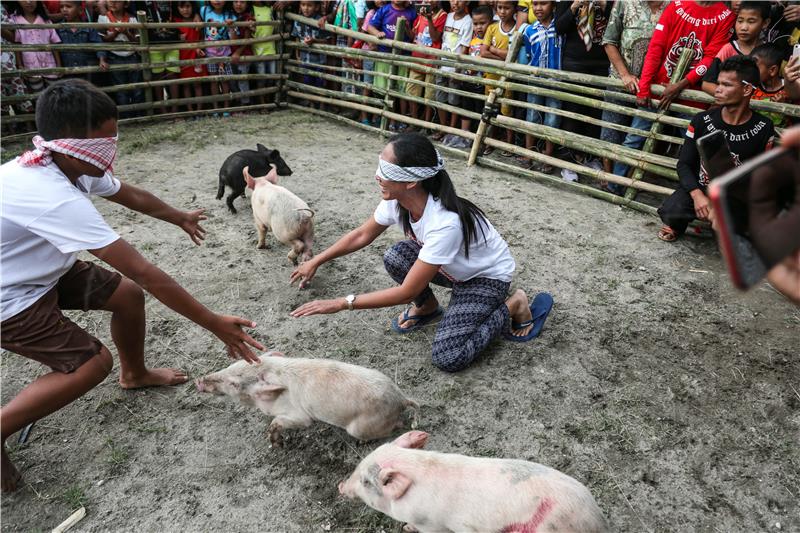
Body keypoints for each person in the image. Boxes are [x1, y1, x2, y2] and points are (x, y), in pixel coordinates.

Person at [0, 79, 264, 493]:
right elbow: (146, 270)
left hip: (38, 269)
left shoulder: (65, 164)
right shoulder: (50, 193)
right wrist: (213, 322)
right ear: (73, 142)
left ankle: (135, 373)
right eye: (105, 140)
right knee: (90, 364)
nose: (113, 147)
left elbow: (131, 195)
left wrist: (177, 215)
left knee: (126, 295)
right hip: (9, 298)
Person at [289, 133, 554, 373]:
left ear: (412, 181)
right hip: (451, 269)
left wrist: (341, 303)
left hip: (484, 279)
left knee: (449, 356)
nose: (377, 175)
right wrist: (317, 260)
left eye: (386, 169)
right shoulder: (398, 201)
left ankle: (514, 304)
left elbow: (404, 292)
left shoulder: (444, 222)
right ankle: (427, 306)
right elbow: (362, 234)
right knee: (396, 256)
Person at [657, 56, 775, 242]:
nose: (718, 89)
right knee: (673, 209)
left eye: (726, 85)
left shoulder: (763, 127)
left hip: (734, 195)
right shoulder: (702, 120)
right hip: (700, 188)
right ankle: (677, 224)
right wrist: (697, 196)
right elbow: (684, 164)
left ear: (746, 89)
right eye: (718, 83)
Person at [599, 0, 667, 192]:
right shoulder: (624, 2)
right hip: (620, 79)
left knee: (641, 135)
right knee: (611, 129)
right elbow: (609, 40)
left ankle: (629, 180)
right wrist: (625, 75)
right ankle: (608, 177)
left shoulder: (675, 5)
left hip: (654, 86)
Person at [520, 0, 562, 172]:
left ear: (553, 5)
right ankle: (529, 153)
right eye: (534, 4)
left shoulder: (559, 28)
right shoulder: (529, 30)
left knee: (552, 119)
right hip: (535, 80)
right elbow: (530, 54)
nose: (538, 8)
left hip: (555, 82)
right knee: (532, 115)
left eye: (543, 4)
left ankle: (548, 157)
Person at [367, 0, 417, 131]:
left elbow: (413, 36)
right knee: (386, 89)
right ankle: (388, 119)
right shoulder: (385, 10)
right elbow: (370, 27)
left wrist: (406, 27)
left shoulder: (411, 11)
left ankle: (400, 120)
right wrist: (377, 33)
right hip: (385, 55)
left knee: (401, 90)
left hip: (403, 57)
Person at [701, 1, 770, 96]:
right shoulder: (728, 50)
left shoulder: (768, 52)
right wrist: (733, 97)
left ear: (765, 23)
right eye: (740, 21)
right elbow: (707, 84)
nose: (743, 27)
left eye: (751, 22)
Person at [480, 0, 517, 156]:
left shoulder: (518, 29)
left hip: (507, 79)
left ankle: (509, 143)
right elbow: (483, 52)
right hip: (491, 76)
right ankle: (490, 139)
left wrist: (494, 50)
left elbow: (514, 56)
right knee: (490, 109)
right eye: (500, 8)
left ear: (514, 8)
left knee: (507, 111)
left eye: (507, 8)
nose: (502, 11)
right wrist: (504, 59)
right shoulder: (492, 28)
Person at [436, 0, 472, 146]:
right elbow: (443, 40)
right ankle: (443, 128)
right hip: (443, 64)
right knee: (440, 98)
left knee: (454, 100)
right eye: (452, 0)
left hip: (455, 67)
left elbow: (464, 48)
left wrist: (457, 71)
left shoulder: (468, 21)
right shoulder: (449, 16)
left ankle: (451, 129)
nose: (455, 3)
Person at [98, 0, 143, 117]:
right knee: (120, 89)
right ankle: (126, 116)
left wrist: (127, 32)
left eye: (117, 1)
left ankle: (138, 115)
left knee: (137, 87)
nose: (113, 3)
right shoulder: (103, 18)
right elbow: (103, 39)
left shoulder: (132, 19)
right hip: (114, 56)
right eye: (110, 1)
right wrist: (116, 33)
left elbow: (137, 40)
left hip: (131, 55)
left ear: (125, 4)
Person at [406, 0, 445, 128]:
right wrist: (406, 26)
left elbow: (435, 38)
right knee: (412, 92)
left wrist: (429, 19)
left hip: (430, 62)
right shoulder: (420, 15)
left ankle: (426, 125)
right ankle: (414, 122)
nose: (427, 1)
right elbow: (414, 35)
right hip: (417, 59)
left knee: (429, 96)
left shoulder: (442, 15)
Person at [9, 0, 62, 93]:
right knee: (38, 94)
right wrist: (20, 65)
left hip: (50, 64)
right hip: (30, 65)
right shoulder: (14, 20)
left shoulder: (45, 20)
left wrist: (58, 64)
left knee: (55, 93)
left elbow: (53, 42)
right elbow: (17, 43)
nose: (29, 2)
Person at [56, 1, 109, 85]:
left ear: (80, 10)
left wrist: (102, 60)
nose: (64, 9)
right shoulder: (58, 28)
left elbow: (98, 44)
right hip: (67, 70)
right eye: (62, 7)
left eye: (68, 6)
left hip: (86, 70)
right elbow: (55, 48)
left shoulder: (89, 28)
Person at [291, 0, 332, 105]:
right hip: (305, 59)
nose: (306, 8)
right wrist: (297, 54)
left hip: (319, 60)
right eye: (303, 5)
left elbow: (327, 40)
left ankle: (321, 104)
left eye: (309, 5)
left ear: (317, 7)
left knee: (320, 82)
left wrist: (314, 41)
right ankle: (311, 104)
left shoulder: (321, 22)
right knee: (307, 82)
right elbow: (296, 38)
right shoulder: (297, 20)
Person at [201, 0, 235, 115]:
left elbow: (234, 38)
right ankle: (216, 107)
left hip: (225, 52)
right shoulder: (204, 11)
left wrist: (231, 26)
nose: (217, 1)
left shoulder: (230, 15)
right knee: (213, 81)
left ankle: (226, 108)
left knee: (225, 81)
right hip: (210, 52)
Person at [750, 43, 795, 129]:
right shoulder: (752, 88)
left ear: (772, 70)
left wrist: (784, 105)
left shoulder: (790, 89)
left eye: (755, 68)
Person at [174, 1, 206, 113]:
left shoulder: (197, 21)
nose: (185, 10)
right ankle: (190, 109)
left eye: (188, 6)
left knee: (197, 84)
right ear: (177, 8)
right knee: (186, 84)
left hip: (196, 56)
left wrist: (200, 47)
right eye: (181, 7)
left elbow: (202, 36)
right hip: (183, 56)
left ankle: (199, 109)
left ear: (193, 7)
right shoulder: (175, 22)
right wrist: (178, 37)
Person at [252, 1, 278, 105]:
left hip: (271, 48)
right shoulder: (251, 9)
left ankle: (268, 100)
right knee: (261, 79)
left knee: (272, 77)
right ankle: (262, 103)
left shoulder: (270, 9)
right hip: (258, 49)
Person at [231, 0, 256, 107]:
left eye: (242, 2)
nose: (238, 4)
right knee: (235, 79)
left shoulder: (247, 18)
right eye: (236, 1)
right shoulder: (231, 15)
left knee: (242, 79)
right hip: (232, 53)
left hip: (243, 53)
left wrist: (237, 52)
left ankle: (245, 103)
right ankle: (239, 101)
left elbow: (247, 39)